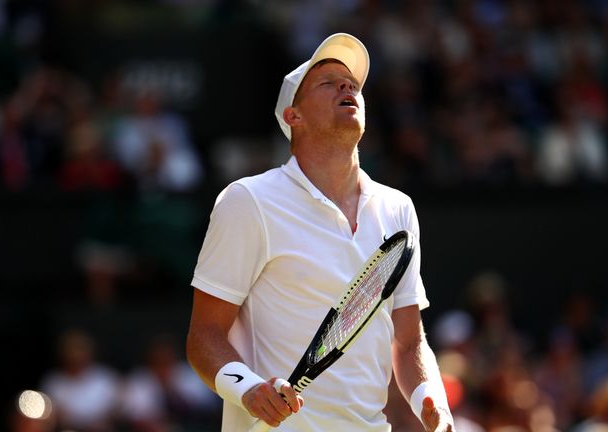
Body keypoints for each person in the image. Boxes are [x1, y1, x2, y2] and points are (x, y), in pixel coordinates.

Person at [186, 33, 454, 431]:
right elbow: (203, 337)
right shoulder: (248, 201)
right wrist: (249, 390)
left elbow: (409, 341)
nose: (348, 87)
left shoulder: (398, 209)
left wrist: (430, 399)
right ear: (293, 116)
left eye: (353, 84)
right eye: (328, 82)